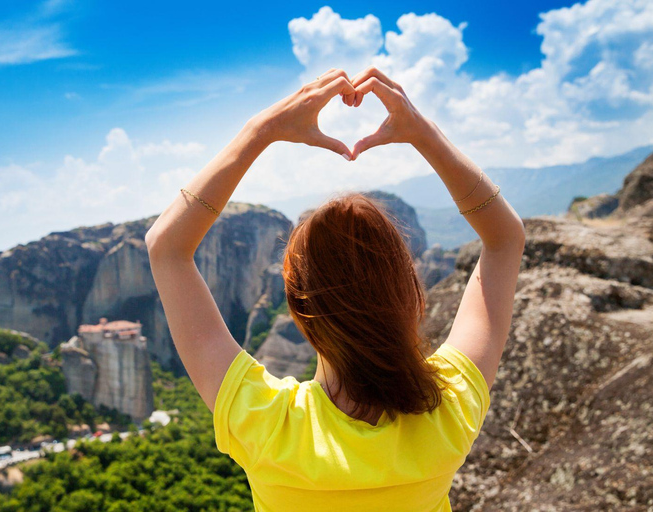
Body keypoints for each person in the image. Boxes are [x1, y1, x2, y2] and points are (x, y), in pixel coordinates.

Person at [145, 67, 525, 511]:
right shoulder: (448, 411)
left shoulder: (268, 427)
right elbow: (505, 239)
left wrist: (261, 129)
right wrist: (424, 133)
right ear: (411, 293)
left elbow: (166, 247)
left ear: (298, 307)